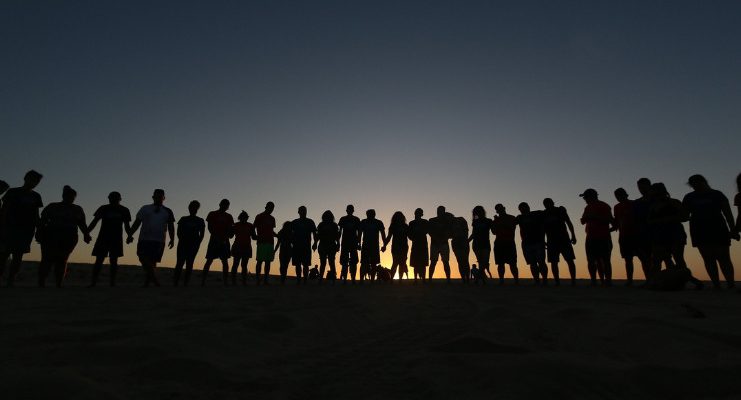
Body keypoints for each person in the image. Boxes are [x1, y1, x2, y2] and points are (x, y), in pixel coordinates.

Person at [682, 174, 739, 289]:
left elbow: (728, 213)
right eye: (693, 185)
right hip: (699, 230)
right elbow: (684, 215)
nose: (695, 186)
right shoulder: (689, 197)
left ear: (704, 182)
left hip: (718, 228)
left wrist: (733, 230)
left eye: (697, 183)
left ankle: (730, 283)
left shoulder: (717, 194)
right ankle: (716, 284)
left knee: (723, 257)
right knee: (708, 258)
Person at [37, 185, 91, 287]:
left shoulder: (77, 209)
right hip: (50, 236)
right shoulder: (52, 206)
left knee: (62, 259)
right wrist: (39, 232)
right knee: (47, 259)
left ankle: (58, 283)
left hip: (69, 237)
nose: (70, 198)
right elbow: (42, 221)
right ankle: (41, 282)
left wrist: (86, 235)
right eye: (68, 196)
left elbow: (82, 223)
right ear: (63, 196)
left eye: (72, 197)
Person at [0, 170, 43, 286]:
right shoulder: (13, 192)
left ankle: (11, 280)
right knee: (3, 254)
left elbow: (36, 214)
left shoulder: (36, 196)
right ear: (25, 178)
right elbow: (4, 210)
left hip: (26, 230)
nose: (34, 183)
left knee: (18, 256)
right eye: (32, 179)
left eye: (36, 181)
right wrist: (2, 226)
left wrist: (39, 229)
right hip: (9, 228)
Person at [127, 189, 175, 288]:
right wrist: (130, 234)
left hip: (159, 240)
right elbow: (137, 222)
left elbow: (171, 226)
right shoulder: (145, 208)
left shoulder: (167, 211)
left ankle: (147, 283)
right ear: (153, 197)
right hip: (144, 238)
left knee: (153, 261)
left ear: (164, 198)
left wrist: (172, 238)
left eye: (160, 196)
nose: (158, 198)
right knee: (142, 257)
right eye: (156, 196)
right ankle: (155, 281)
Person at [647, 183, 692, 280]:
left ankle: (681, 281)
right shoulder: (652, 206)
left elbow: (685, 217)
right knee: (656, 260)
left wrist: (668, 219)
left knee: (678, 259)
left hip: (675, 234)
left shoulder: (674, 202)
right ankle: (654, 281)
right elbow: (649, 221)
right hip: (658, 235)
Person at [87, 191, 131, 287]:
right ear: (109, 198)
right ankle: (93, 282)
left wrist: (130, 236)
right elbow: (94, 221)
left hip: (116, 238)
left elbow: (127, 226)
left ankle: (112, 282)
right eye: (111, 197)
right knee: (99, 259)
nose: (113, 199)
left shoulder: (124, 210)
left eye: (115, 197)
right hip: (103, 237)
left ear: (120, 199)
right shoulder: (104, 208)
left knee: (113, 260)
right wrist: (87, 232)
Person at [579, 188, 615, 286]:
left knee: (605, 260)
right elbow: (583, 221)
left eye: (585, 197)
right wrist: (587, 218)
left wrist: (595, 218)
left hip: (603, 237)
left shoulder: (604, 206)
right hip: (590, 237)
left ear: (591, 196)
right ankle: (594, 281)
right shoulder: (588, 207)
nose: (585, 199)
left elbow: (612, 221)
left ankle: (607, 281)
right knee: (591, 260)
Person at [542, 198, 578, 286]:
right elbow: (542, 229)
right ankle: (557, 282)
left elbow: (569, 222)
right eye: (546, 203)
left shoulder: (560, 210)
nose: (547, 205)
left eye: (549, 203)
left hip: (564, 239)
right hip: (551, 241)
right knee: (554, 262)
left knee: (569, 260)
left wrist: (573, 235)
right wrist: (543, 240)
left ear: (552, 203)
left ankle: (573, 281)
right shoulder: (543, 214)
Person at [201, 199, 234, 286]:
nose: (225, 206)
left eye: (227, 205)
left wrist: (226, 237)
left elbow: (230, 229)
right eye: (224, 204)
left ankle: (225, 282)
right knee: (209, 260)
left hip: (225, 241)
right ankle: (203, 281)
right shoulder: (212, 214)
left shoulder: (229, 216)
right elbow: (210, 228)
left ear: (228, 207)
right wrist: (217, 237)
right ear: (220, 204)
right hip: (214, 240)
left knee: (225, 261)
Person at [173, 200, 205, 286]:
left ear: (197, 209)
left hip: (193, 244)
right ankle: (176, 282)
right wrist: (183, 240)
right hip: (183, 244)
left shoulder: (200, 220)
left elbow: (202, 234)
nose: (192, 209)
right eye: (191, 207)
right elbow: (178, 232)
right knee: (180, 262)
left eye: (195, 207)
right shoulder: (183, 219)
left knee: (189, 263)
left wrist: (197, 243)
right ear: (189, 208)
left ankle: (185, 283)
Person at [515, 202, 547, 285]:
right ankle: (537, 280)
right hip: (526, 243)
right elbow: (511, 223)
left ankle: (544, 280)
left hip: (538, 242)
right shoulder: (519, 217)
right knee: (532, 263)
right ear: (519, 210)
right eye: (521, 208)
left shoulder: (537, 214)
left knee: (541, 262)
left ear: (528, 207)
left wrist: (560, 208)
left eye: (524, 207)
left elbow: (547, 212)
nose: (523, 209)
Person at [613, 188, 640, 285]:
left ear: (625, 194)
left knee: (644, 257)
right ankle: (630, 280)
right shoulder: (616, 207)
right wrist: (612, 228)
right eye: (617, 196)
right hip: (623, 236)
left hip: (636, 235)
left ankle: (649, 277)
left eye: (620, 195)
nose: (618, 197)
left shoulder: (634, 204)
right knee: (628, 259)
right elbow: (616, 221)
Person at [492, 204, 518, 285]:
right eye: (498, 209)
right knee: (500, 263)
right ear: (497, 211)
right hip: (499, 243)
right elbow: (494, 232)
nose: (499, 210)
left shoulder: (511, 218)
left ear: (504, 208)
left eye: (500, 209)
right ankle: (501, 280)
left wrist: (499, 222)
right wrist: (496, 222)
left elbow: (511, 227)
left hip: (509, 242)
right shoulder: (496, 220)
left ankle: (516, 280)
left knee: (512, 263)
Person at [632, 178, 653, 278]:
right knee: (644, 258)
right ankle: (649, 279)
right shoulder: (637, 203)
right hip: (641, 234)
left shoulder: (657, 200)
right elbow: (634, 219)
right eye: (640, 187)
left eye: (644, 186)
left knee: (664, 257)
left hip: (658, 233)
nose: (642, 189)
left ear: (649, 186)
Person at [291, 206, 318, 284]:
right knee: (297, 264)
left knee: (305, 264)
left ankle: (305, 280)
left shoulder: (310, 222)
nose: (303, 212)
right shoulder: (294, 222)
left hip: (306, 246)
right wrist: (291, 242)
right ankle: (299, 279)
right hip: (296, 246)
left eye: (304, 211)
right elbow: (290, 232)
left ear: (306, 212)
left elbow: (314, 233)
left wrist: (315, 243)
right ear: (298, 212)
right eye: (301, 211)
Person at [359, 209, 386, 282]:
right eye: (369, 214)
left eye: (371, 214)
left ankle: (371, 280)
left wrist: (384, 245)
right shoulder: (364, 222)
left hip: (373, 246)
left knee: (372, 264)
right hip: (367, 246)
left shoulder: (378, 222)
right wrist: (358, 243)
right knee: (365, 263)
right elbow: (360, 233)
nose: (370, 216)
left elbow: (383, 234)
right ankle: (364, 280)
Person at [428, 206, 453, 282]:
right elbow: (429, 231)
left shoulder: (447, 221)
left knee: (445, 262)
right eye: (438, 210)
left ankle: (448, 279)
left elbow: (450, 232)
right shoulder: (432, 220)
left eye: (441, 211)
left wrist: (444, 238)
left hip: (443, 243)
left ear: (444, 211)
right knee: (433, 262)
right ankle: (430, 279)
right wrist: (437, 239)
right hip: (435, 244)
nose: (439, 212)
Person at [254, 202, 277, 285]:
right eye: (270, 207)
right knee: (259, 261)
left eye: (272, 208)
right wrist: (255, 236)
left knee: (268, 262)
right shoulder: (259, 216)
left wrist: (277, 235)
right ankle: (257, 279)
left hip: (270, 242)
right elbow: (254, 227)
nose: (271, 209)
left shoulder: (272, 218)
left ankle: (265, 280)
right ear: (266, 207)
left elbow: (271, 231)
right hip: (261, 242)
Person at [231, 210, 256, 286]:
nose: (244, 219)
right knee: (236, 264)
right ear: (240, 218)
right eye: (243, 217)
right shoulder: (236, 225)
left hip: (246, 246)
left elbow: (254, 237)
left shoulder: (250, 226)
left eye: (245, 217)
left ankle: (243, 281)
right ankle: (234, 281)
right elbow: (231, 235)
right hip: (238, 246)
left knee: (243, 265)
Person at [383, 211, 409, 281]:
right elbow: (389, 237)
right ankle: (392, 279)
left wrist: (384, 245)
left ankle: (399, 279)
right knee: (396, 263)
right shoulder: (393, 226)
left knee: (401, 263)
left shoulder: (405, 226)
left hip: (403, 247)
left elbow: (409, 236)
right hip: (396, 247)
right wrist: (384, 245)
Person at [469, 205, 493, 284]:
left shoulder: (488, 221)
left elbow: (493, 231)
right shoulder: (475, 222)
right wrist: (468, 241)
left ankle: (477, 279)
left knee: (484, 262)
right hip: (476, 244)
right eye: (476, 212)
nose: (477, 213)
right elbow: (474, 233)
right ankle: (483, 280)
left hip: (485, 244)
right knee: (481, 262)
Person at [338, 205, 361, 284]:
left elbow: (359, 232)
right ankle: (346, 279)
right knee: (345, 262)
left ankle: (352, 279)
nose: (350, 211)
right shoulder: (343, 219)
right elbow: (340, 232)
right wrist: (338, 242)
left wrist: (359, 243)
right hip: (345, 243)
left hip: (352, 243)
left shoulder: (355, 219)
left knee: (352, 262)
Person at [316, 210, 340, 284]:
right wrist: (315, 243)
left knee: (331, 262)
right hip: (323, 245)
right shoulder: (321, 225)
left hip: (331, 245)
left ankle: (333, 280)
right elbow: (318, 235)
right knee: (323, 263)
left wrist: (338, 244)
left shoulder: (334, 225)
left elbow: (337, 236)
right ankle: (321, 279)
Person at [408, 208, 429, 283]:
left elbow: (427, 231)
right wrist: (413, 238)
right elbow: (409, 235)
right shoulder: (411, 223)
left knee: (422, 263)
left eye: (419, 213)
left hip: (422, 244)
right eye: (417, 213)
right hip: (416, 244)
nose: (417, 214)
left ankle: (422, 279)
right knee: (415, 263)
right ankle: (416, 279)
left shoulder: (425, 222)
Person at [451, 216, 471, 283]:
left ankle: (466, 278)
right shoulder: (452, 222)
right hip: (458, 242)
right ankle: (464, 279)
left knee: (464, 261)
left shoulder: (460, 220)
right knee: (461, 261)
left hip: (462, 241)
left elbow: (466, 231)